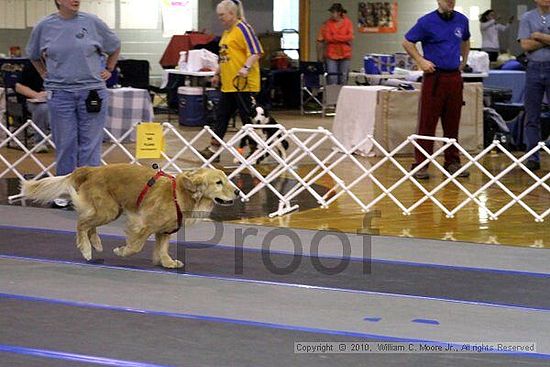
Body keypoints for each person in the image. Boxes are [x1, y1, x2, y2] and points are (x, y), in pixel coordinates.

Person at [26, 0, 121, 205]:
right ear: (58, 1)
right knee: (65, 143)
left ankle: (90, 193)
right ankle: (65, 193)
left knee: (90, 145)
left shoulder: (93, 22)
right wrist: (44, 73)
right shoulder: (44, 26)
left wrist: (110, 69)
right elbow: (33, 55)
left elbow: (115, 46)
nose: (75, 0)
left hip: (92, 92)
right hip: (60, 93)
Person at [402, 0, 471, 180]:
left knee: (452, 122)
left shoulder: (462, 20)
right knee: (427, 122)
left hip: (454, 77)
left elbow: (465, 40)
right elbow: (407, 42)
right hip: (435, 77)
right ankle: (421, 164)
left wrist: (463, 61)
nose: (450, 2)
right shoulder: (426, 21)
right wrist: (420, 61)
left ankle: (452, 162)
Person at [200, 0, 263, 161]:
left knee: (247, 118)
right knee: (221, 116)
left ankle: (256, 149)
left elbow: (256, 52)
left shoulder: (243, 28)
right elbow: (224, 57)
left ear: (232, 14)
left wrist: (246, 67)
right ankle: (214, 148)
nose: (219, 18)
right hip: (229, 85)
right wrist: (217, 74)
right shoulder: (227, 33)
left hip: (243, 84)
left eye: (222, 15)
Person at [517, 0, 550, 172]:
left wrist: (538, 35)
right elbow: (525, 45)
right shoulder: (527, 17)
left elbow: (532, 42)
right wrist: (547, 39)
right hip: (533, 69)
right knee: (532, 115)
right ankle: (533, 157)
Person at [14, 64, 50, 153]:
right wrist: (36, 95)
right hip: (33, 100)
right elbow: (18, 87)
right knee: (43, 108)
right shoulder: (31, 66)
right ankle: (39, 142)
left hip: (57, 99)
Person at [317, 3, 354, 85]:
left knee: (343, 79)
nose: (333, 15)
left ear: (340, 13)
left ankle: (342, 97)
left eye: (334, 12)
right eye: (332, 12)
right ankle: (332, 97)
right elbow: (326, 38)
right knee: (332, 78)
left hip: (345, 55)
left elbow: (350, 37)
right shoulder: (327, 24)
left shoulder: (348, 23)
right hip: (331, 55)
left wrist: (334, 37)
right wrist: (342, 38)